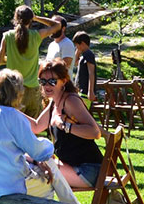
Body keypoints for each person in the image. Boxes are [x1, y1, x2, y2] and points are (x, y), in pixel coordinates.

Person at [0, 69, 77, 204]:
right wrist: (46, 144)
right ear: (17, 93)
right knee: (49, 177)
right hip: (4, 186)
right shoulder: (12, 116)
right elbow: (39, 151)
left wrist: (34, 159)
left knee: (43, 165)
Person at [35, 59, 104, 188]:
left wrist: (65, 126)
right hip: (72, 167)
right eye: (43, 81)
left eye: (52, 81)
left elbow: (95, 132)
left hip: (88, 171)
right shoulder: (54, 102)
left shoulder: (70, 100)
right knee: (33, 160)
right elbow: (36, 126)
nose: (47, 86)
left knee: (40, 172)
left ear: (64, 81)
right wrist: (10, 111)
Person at [0, 5, 61, 121]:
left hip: (14, 90)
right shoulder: (36, 35)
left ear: (15, 18)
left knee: (14, 128)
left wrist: (10, 58)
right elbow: (57, 25)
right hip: (33, 90)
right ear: (30, 19)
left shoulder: (7, 36)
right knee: (33, 130)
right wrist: (36, 18)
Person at [73, 32, 97, 100]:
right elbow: (75, 63)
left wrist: (90, 91)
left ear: (82, 43)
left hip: (85, 92)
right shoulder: (83, 55)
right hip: (80, 91)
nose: (76, 47)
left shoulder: (88, 54)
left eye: (76, 45)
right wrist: (77, 52)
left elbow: (91, 73)